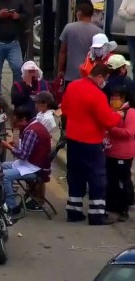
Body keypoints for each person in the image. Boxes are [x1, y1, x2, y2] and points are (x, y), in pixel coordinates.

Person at [61, 64, 122, 225]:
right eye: (105, 79)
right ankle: (97, 214)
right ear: (100, 76)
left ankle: (74, 211)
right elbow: (108, 121)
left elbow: (65, 110)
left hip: (73, 139)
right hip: (91, 142)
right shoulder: (97, 94)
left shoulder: (73, 86)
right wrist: (118, 115)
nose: (105, 82)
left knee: (75, 174)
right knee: (96, 176)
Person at [0, 106, 52, 216]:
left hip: (34, 167)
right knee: (1, 166)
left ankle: (11, 207)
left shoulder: (31, 131)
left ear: (23, 119)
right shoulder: (34, 125)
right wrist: (15, 144)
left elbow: (23, 155)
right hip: (32, 163)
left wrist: (8, 146)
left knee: (5, 176)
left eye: (18, 121)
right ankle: (5, 197)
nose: (17, 125)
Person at [104, 88, 135, 222]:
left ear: (123, 98)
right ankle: (112, 207)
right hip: (110, 152)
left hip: (123, 154)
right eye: (111, 97)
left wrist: (110, 129)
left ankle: (122, 209)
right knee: (111, 182)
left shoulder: (130, 113)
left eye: (116, 97)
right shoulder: (112, 112)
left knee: (122, 182)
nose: (113, 100)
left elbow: (129, 133)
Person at [58, 2, 102, 87]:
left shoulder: (69, 28)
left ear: (79, 13)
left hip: (71, 76)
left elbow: (62, 51)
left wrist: (60, 70)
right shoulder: (99, 32)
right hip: (91, 76)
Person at [119, 0, 135, 78]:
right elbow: (120, 12)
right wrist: (132, 16)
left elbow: (127, 11)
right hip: (130, 35)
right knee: (134, 65)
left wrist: (130, 10)